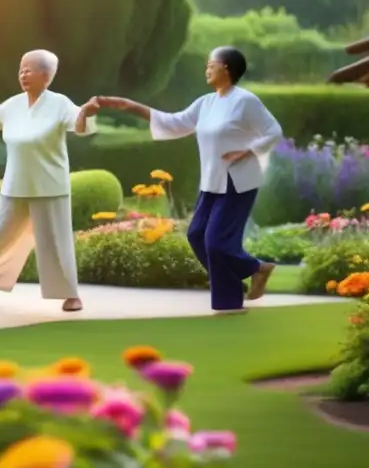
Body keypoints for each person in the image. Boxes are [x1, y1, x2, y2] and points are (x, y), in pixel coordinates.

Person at [98, 46, 282, 314]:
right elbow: (174, 123)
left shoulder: (246, 101)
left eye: (211, 64)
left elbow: (273, 131)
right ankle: (241, 284)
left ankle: (251, 277)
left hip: (238, 181)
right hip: (211, 181)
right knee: (196, 235)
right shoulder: (205, 103)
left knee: (217, 242)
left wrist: (248, 150)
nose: (206, 69)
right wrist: (131, 107)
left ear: (227, 68)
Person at [0, 49, 100, 313]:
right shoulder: (14, 104)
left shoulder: (59, 103)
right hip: (15, 185)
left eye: (29, 69)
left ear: (46, 76)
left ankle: (71, 295)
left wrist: (85, 112)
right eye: (21, 69)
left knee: (56, 242)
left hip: (50, 185)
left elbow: (81, 125)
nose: (23, 74)